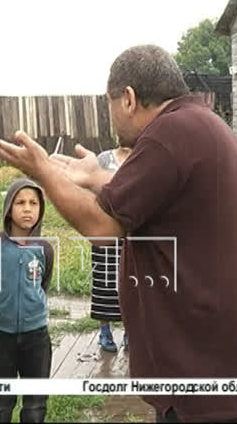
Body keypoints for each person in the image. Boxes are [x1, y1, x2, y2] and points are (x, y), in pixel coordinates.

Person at [0, 45, 237, 423]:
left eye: (110, 104)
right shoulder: (200, 124)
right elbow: (153, 193)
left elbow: (102, 227)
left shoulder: (167, 134)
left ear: (129, 98)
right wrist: (95, 177)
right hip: (222, 357)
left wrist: (43, 172)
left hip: (202, 373)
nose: (112, 118)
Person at [0, 179, 54, 423]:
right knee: (2, 404)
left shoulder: (45, 249)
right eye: (20, 203)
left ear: (41, 209)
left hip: (36, 338)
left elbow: (43, 284)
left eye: (33, 203)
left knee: (35, 404)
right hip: (1, 338)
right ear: (8, 208)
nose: (27, 209)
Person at [92, 147, 131, 352]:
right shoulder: (103, 159)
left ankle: (130, 331)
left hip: (132, 230)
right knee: (104, 281)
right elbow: (92, 194)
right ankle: (104, 331)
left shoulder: (143, 157)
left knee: (131, 282)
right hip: (105, 229)